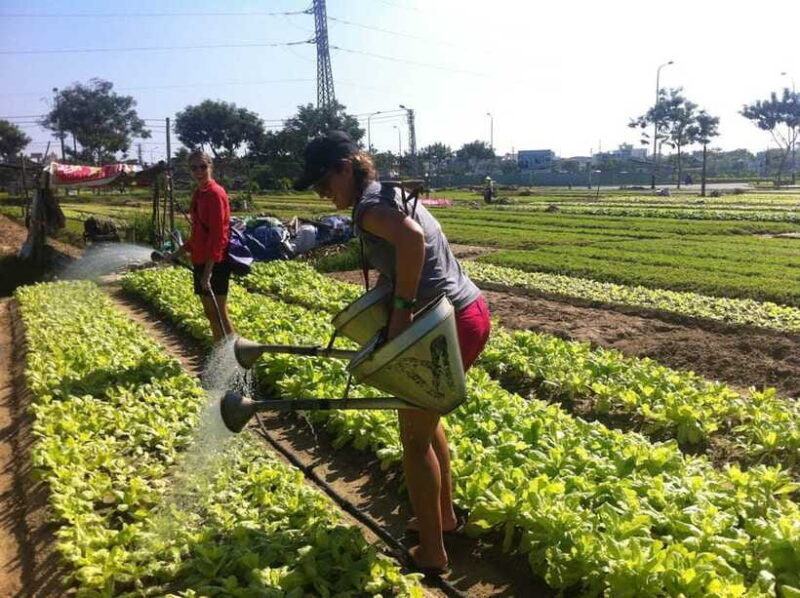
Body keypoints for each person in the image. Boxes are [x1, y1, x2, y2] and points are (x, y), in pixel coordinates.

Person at [294, 131, 492, 573]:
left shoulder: (368, 207)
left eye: (324, 183)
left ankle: (434, 553)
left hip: (445, 324)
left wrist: (401, 311)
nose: (323, 194)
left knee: (413, 438)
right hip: (468, 311)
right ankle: (443, 519)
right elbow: (407, 253)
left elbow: (411, 240)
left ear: (345, 168)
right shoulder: (390, 192)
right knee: (425, 419)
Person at [171, 150, 235, 342]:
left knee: (219, 313)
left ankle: (235, 361)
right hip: (201, 261)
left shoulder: (215, 194)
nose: (198, 171)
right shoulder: (199, 194)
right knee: (210, 313)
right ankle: (220, 356)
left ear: (210, 167)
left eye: (202, 166)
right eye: (194, 168)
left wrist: (208, 273)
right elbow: (199, 234)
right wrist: (178, 252)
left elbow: (218, 237)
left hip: (215, 263)